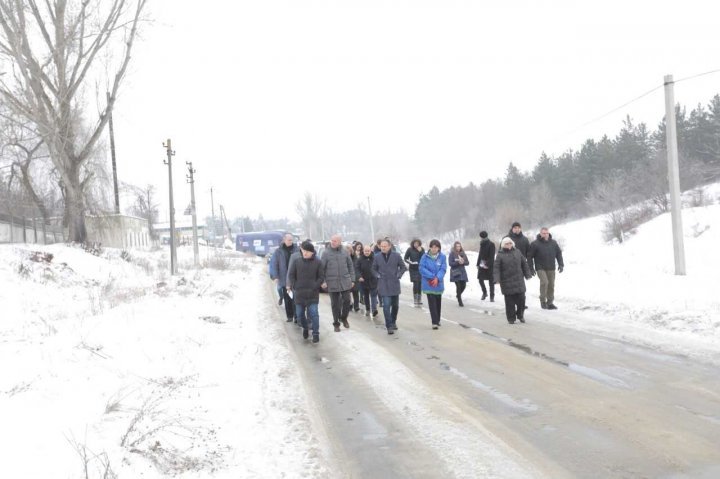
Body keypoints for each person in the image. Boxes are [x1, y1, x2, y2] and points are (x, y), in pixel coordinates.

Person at [287, 241, 324, 343]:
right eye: (304, 251)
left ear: (312, 252)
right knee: (299, 315)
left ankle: (316, 333)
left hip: (312, 294)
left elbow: (321, 276)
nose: (305, 253)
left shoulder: (318, 262)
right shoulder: (297, 262)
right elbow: (291, 275)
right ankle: (306, 328)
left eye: (307, 251)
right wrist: (295, 285)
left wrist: (315, 286)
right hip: (299, 294)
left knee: (314, 314)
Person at [493, 237, 533, 324]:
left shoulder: (517, 252)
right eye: (507, 244)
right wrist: (496, 279)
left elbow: (524, 264)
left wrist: (528, 274)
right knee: (509, 302)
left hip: (519, 280)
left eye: (510, 243)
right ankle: (511, 318)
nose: (509, 245)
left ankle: (520, 315)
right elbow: (496, 268)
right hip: (506, 281)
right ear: (503, 245)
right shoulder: (500, 255)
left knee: (522, 300)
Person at [320, 234, 355, 332]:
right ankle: (336, 323)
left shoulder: (344, 252)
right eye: (332, 240)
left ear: (340, 242)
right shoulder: (326, 253)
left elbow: (350, 266)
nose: (332, 242)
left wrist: (352, 279)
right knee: (335, 304)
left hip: (345, 281)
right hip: (332, 282)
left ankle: (344, 318)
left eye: (335, 241)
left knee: (347, 301)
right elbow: (321, 269)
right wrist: (323, 281)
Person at [372, 239, 407, 334]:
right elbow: (373, 269)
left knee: (395, 305)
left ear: (389, 246)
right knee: (386, 305)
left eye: (385, 246)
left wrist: (398, 275)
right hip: (383, 284)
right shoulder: (377, 257)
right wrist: (378, 275)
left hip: (394, 283)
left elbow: (403, 267)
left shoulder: (396, 255)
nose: (383, 248)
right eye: (381, 246)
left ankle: (393, 321)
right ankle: (389, 325)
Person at [527, 227, 564, 310]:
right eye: (543, 233)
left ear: (549, 233)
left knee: (551, 285)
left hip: (551, 267)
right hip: (540, 267)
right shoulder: (535, 244)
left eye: (546, 233)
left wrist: (561, 264)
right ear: (540, 234)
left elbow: (558, 253)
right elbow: (529, 257)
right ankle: (543, 301)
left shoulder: (553, 243)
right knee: (545, 282)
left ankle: (550, 303)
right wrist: (531, 268)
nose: (545, 235)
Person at [269, 233, 300, 322]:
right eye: (289, 240)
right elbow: (274, 264)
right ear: (284, 240)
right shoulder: (278, 251)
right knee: (287, 298)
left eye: (292, 240)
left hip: (295, 277)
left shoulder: (297, 250)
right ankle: (290, 316)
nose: (291, 241)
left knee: (296, 299)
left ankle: (297, 316)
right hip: (284, 278)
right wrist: (275, 276)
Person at [419, 239, 447, 330]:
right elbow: (421, 268)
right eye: (432, 247)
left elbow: (443, 269)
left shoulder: (442, 257)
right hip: (428, 283)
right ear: (430, 247)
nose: (434, 249)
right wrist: (432, 277)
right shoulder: (425, 256)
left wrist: (437, 278)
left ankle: (438, 320)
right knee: (432, 303)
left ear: (439, 248)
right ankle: (434, 322)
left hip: (438, 283)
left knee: (438, 302)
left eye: (436, 247)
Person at [356, 245, 379, 317]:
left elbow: (379, 267)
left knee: (373, 295)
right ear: (363, 251)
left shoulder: (375, 258)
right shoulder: (360, 259)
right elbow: (357, 269)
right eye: (365, 251)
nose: (367, 252)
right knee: (366, 296)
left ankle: (374, 309)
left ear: (370, 251)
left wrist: (378, 275)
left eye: (368, 251)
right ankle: (368, 309)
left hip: (373, 280)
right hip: (364, 280)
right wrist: (359, 276)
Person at [404, 239, 425, 307]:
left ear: (419, 244)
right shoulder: (409, 249)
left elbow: (424, 258)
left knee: (420, 284)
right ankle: (415, 299)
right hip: (413, 269)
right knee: (416, 283)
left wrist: (421, 251)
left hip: (420, 269)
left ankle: (419, 298)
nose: (416, 245)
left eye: (417, 243)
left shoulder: (422, 249)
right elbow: (405, 258)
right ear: (412, 243)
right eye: (415, 243)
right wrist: (411, 262)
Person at [448, 241, 469, 307]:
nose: (458, 247)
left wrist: (463, 262)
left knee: (464, 285)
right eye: (457, 246)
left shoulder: (463, 253)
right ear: (454, 247)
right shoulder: (452, 253)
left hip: (462, 272)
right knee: (458, 286)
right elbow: (450, 263)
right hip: (455, 272)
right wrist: (457, 262)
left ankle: (458, 295)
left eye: (459, 246)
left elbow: (467, 262)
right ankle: (460, 300)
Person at [476, 231, 496, 302]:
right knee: (480, 279)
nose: (481, 238)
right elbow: (480, 255)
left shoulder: (491, 244)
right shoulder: (482, 244)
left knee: (491, 281)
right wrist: (478, 264)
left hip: (490, 265)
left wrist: (487, 264)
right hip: (482, 264)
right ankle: (484, 292)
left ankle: (492, 296)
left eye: (482, 237)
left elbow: (492, 256)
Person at [346, 244, 361, 313]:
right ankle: (349, 305)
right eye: (347, 251)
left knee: (356, 293)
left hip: (355, 277)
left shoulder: (355, 258)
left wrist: (358, 277)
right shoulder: (343, 259)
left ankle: (356, 306)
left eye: (349, 251)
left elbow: (358, 268)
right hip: (346, 278)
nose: (348, 253)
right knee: (348, 293)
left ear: (351, 251)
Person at [353, 241, 365, 306]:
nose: (359, 248)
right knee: (356, 288)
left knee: (361, 286)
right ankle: (356, 302)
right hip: (354, 271)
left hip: (361, 271)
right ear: (356, 246)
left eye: (360, 247)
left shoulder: (362, 253)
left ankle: (361, 298)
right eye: (358, 247)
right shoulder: (353, 253)